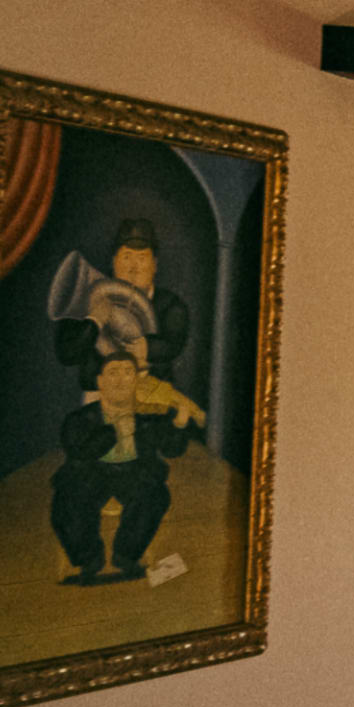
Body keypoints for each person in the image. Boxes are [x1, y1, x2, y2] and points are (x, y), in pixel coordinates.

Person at [51, 352, 205, 585]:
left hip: (133, 473)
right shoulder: (80, 419)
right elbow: (80, 450)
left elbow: (172, 450)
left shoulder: (145, 419)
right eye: (113, 373)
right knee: (69, 500)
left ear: (136, 381)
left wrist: (179, 423)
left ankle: (127, 556)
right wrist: (114, 427)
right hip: (90, 474)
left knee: (154, 495)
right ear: (100, 381)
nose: (121, 380)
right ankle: (88, 558)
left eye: (128, 373)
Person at [47, 219, 197, 386]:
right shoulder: (89, 299)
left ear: (154, 265)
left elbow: (174, 343)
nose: (133, 267)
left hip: (151, 397)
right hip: (97, 398)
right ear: (114, 261)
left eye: (142, 258)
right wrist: (94, 322)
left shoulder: (171, 305)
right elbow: (66, 353)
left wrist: (147, 347)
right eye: (127, 256)